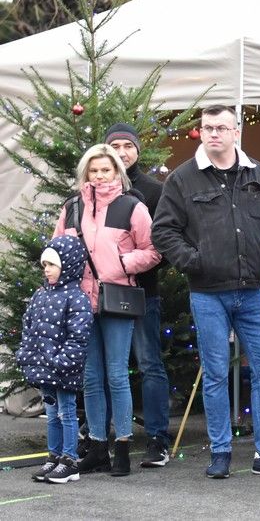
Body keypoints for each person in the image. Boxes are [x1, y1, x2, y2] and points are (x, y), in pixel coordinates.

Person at [152, 104, 260, 478]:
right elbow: (163, 231)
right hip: (207, 292)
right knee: (217, 373)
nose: (214, 134)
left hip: (252, 291)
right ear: (201, 132)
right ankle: (220, 451)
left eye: (222, 128)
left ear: (236, 131)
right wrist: (194, 261)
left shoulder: (258, 174)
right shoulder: (183, 179)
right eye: (208, 128)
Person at [54, 143, 160, 476]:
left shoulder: (132, 206)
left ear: (117, 172)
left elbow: (153, 250)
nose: (100, 176)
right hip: (80, 304)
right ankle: (98, 446)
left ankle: (123, 447)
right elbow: (56, 248)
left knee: (117, 374)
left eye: (106, 170)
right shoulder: (72, 208)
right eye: (94, 170)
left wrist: (122, 263)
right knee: (90, 378)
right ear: (85, 173)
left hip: (117, 299)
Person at [104, 123, 172, 468]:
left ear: (137, 151)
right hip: (101, 295)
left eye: (127, 145)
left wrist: (130, 267)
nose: (121, 151)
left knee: (149, 363)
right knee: (106, 366)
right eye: (114, 145)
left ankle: (158, 437)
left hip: (143, 290)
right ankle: (100, 433)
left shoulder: (155, 191)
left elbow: (162, 242)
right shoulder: (97, 190)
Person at [17, 236, 92, 484]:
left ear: (68, 265)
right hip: (44, 369)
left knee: (67, 413)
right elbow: (29, 328)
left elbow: (78, 336)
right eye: (44, 265)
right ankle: (54, 456)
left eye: (51, 264)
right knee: (51, 414)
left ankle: (69, 461)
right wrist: (26, 354)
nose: (46, 269)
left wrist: (61, 361)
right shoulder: (40, 294)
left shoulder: (77, 298)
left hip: (63, 370)